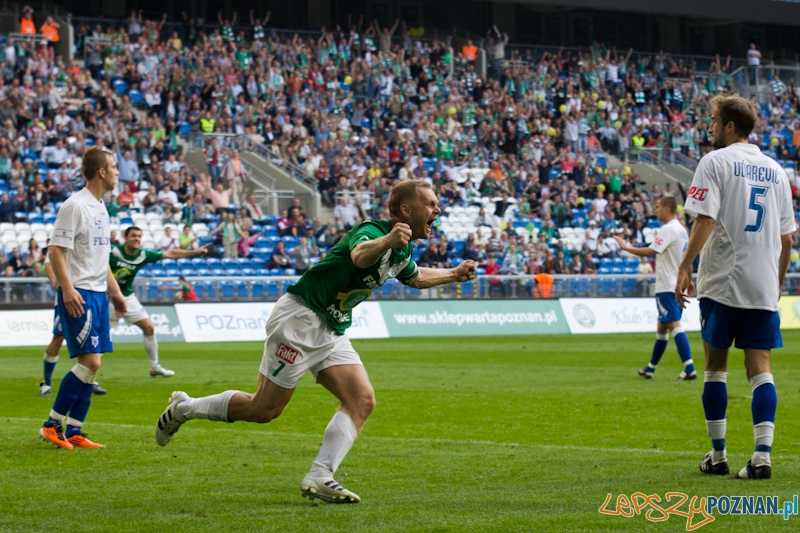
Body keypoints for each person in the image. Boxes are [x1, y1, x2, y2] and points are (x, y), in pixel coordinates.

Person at [154, 180, 475, 503]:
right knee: (263, 409)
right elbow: (360, 255)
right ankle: (184, 408)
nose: (437, 210)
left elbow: (415, 276)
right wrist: (387, 240)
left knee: (362, 400)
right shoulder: (372, 231)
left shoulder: (403, 249)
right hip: (301, 318)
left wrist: (453, 273)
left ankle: (320, 474)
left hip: (331, 326)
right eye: (431, 204)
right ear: (406, 210)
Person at [675, 94, 796, 480]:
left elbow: (704, 220)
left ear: (729, 126)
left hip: (722, 281)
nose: (710, 128)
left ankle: (718, 454)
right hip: (762, 285)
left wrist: (684, 266)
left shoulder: (714, 162)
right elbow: (787, 239)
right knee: (761, 370)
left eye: (714, 121)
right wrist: (776, 282)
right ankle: (762, 456)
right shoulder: (777, 170)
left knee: (715, 367)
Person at [39, 147, 127, 450]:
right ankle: (52, 425)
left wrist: (115, 292)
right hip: (80, 293)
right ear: (101, 171)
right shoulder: (75, 206)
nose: (118, 172)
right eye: (114, 167)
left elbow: (100, 260)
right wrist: (66, 288)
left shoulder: (101, 207)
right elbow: (55, 250)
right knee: (89, 361)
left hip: (99, 294)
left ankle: (75, 428)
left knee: (94, 365)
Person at [107, 225, 209, 378]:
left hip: (127, 296)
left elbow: (170, 253)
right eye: (133, 235)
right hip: (107, 297)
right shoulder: (112, 251)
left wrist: (195, 253)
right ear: (125, 237)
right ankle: (89, 375)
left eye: (139, 236)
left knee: (149, 327)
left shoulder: (143, 254)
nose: (137, 239)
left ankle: (154, 366)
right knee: (102, 335)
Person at [615, 197, 696, 380]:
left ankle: (689, 367)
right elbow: (688, 259)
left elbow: (652, 250)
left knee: (674, 324)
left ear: (667, 209)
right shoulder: (682, 231)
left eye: (658, 207)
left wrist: (626, 247)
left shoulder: (668, 229)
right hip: (678, 285)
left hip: (667, 285)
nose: (655, 210)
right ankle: (650, 368)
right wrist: (689, 281)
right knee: (662, 327)